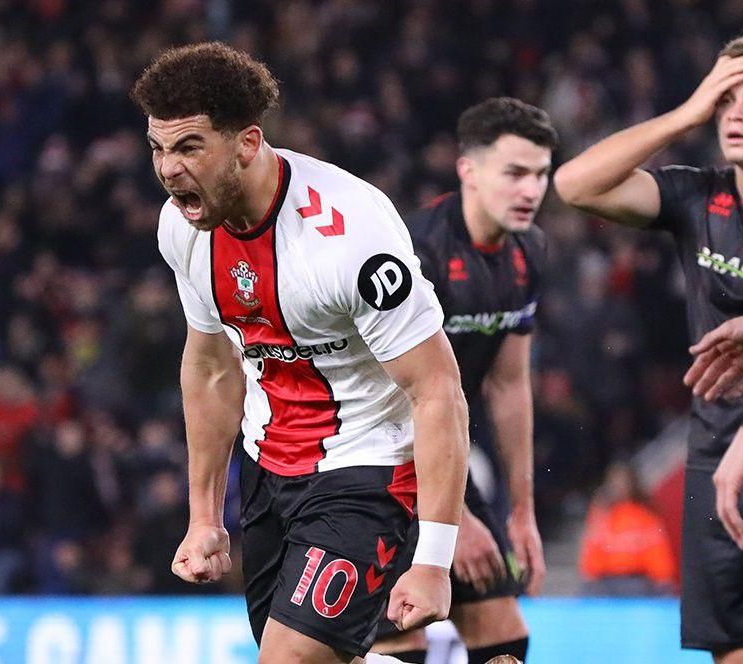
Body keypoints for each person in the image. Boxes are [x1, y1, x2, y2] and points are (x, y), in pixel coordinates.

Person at [130, 42, 470, 664]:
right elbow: (210, 369)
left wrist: (433, 560)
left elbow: (436, 389)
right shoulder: (183, 227)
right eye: (157, 148)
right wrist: (205, 517)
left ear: (248, 144)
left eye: (188, 147)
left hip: (370, 469)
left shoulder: (351, 241)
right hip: (269, 470)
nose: (168, 170)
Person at [554, 36, 743, 662]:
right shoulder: (701, 196)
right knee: (729, 644)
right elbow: (575, 183)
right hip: (714, 445)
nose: (736, 114)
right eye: (727, 100)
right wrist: (688, 111)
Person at [374, 98, 555, 664]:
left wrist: (520, 509)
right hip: (377, 456)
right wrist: (457, 520)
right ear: (467, 170)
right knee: (401, 633)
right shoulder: (416, 251)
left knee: (502, 630)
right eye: (515, 173)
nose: (531, 190)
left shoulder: (529, 251)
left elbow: (507, 385)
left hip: (442, 455)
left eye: (542, 175)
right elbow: (387, 393)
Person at [579, 461, 677, 596]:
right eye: (614, 482)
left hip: (637, 581)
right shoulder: (602, 514)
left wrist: (662, 578)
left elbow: (657, 553)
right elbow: (592, 550)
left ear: (632, 483)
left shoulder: (645, 515)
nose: (618, 487)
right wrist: (590, 576)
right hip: (606, 582)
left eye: (623, 482)